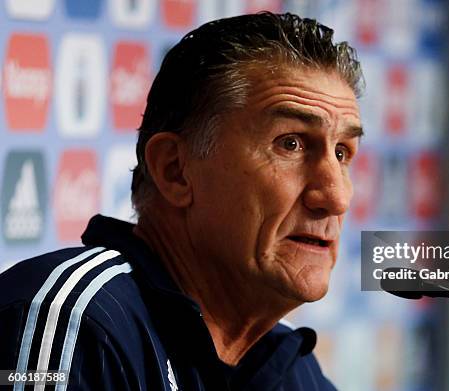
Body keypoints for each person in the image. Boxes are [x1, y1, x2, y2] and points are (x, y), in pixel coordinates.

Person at [0, 12, 363, 390]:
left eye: (342, 153)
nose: (336, 197)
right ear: (175, 170)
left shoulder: (294, 372)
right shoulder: (72, 322)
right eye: (291, 143)